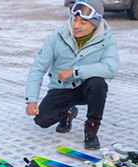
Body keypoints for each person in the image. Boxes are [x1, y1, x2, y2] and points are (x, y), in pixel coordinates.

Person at [25, 0, 119, 150]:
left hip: (86, 89)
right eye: (75, 19)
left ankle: (91, 131)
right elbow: (38, 68)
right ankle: (67, 113)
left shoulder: (106, 40)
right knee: (41, 120)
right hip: (61, 89)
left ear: (95, 24)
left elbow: (111, 69)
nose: (76, 26)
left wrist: (75, 71)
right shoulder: (58, 36)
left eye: (83, 22)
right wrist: (31, 99)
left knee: (98, 84)